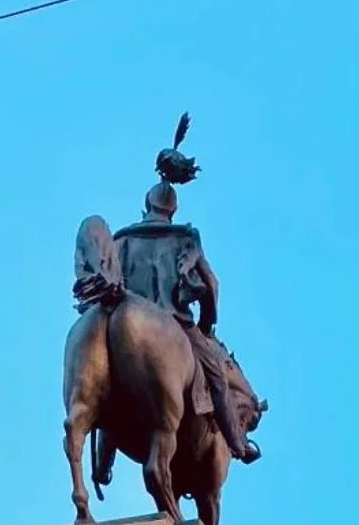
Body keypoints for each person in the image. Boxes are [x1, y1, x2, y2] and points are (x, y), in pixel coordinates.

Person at [110, 176, 260, 466]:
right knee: (217, 378)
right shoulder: (186, 237)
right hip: (175, 320)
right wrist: (206, 323)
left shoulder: (121, 240)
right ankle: (237, 443)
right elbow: (212, 285)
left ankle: (105, 456)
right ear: (173, 210)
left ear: (146, 205)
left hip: (124, 315)